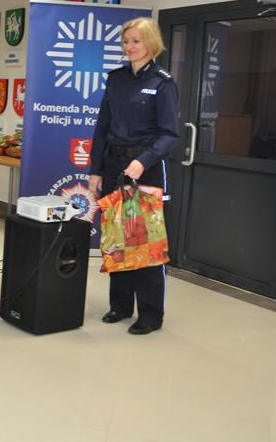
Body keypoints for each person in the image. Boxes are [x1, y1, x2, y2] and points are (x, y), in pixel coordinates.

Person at [88, 17, 179, 336]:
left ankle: (151, 315)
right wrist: (95, 170)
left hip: (146, 167)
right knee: (117, 238)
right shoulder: (116, 79)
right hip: (114, 164)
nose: (129, 47)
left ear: (151, 42)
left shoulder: (163, 82)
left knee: (145, 243)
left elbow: (169, 134)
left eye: (136, 41)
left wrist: (143, 161)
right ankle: (121, 305)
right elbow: (102, 127)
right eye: (126, 41)